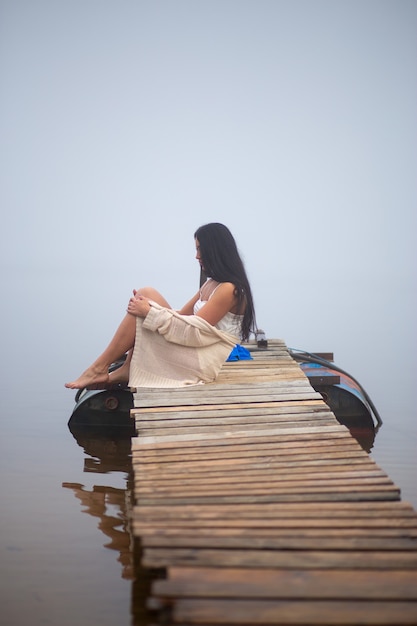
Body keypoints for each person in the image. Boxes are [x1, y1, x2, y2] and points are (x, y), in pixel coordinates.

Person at [65, 223, 256, 390]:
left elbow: (194, 332)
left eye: (200, 249)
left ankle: (98, 368)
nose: (196, 256)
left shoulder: (229, 289)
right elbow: (181, 314)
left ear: (215, 250)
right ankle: (125, 369)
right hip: (197, 348)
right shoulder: (210, 284)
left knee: (145, 311)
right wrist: (148, 305)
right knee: (146, 293)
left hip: (204, 360)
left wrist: (149, 312)